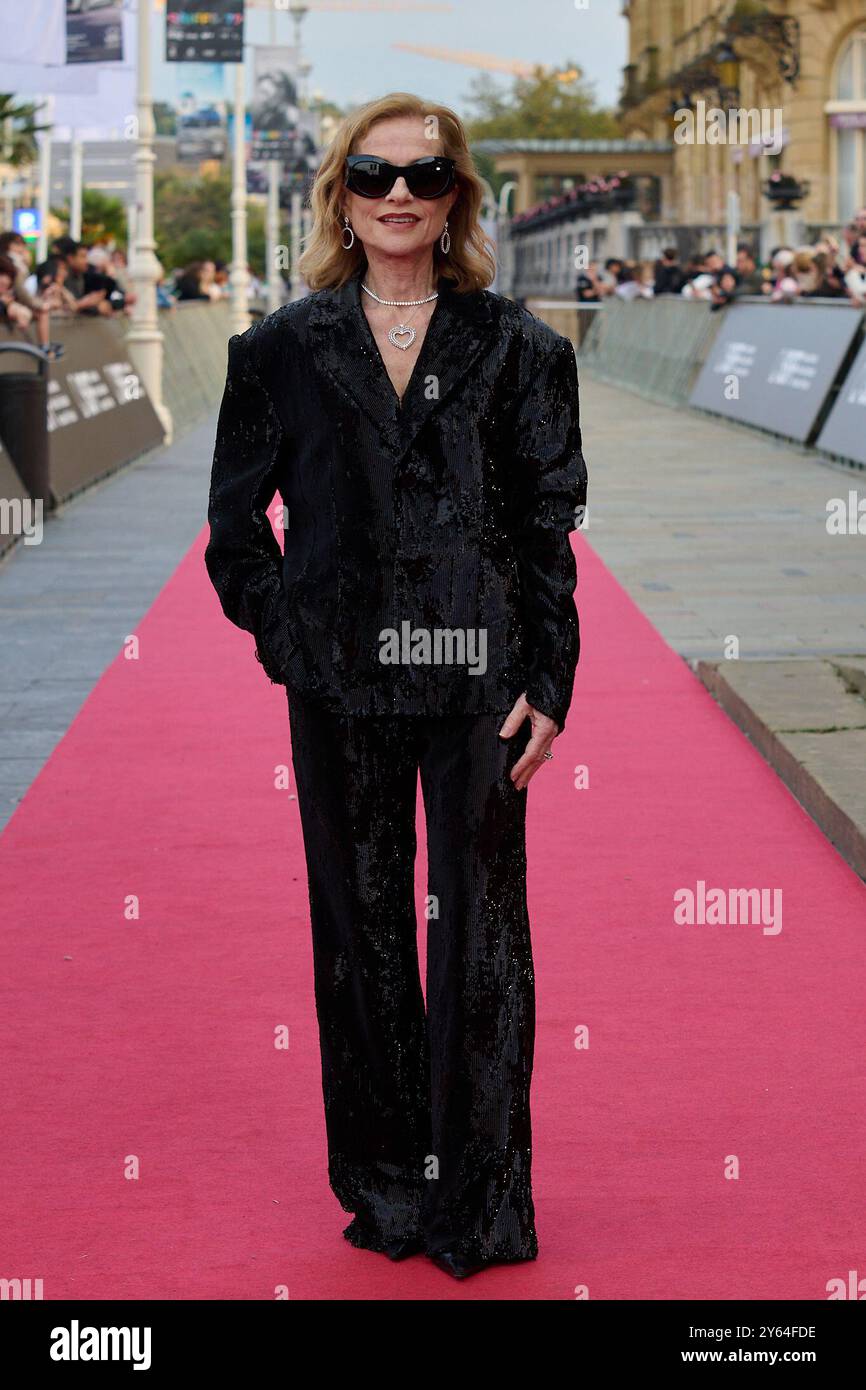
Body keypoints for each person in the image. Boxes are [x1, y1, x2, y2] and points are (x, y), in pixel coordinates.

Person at [204, 91, 588, 1280]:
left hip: (479, 676)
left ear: (457, 193)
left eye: (423, 176)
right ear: (342, 193)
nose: (399, 196)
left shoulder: (521, 347)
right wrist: (293, 636)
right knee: (358, 932)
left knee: (482, 939)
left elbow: (544, 529)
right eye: (374, 175)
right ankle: (384, 1186)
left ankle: (478, 1200)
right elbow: (233, 528)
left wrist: (549, 680)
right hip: (339, 685)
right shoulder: (277, 350)